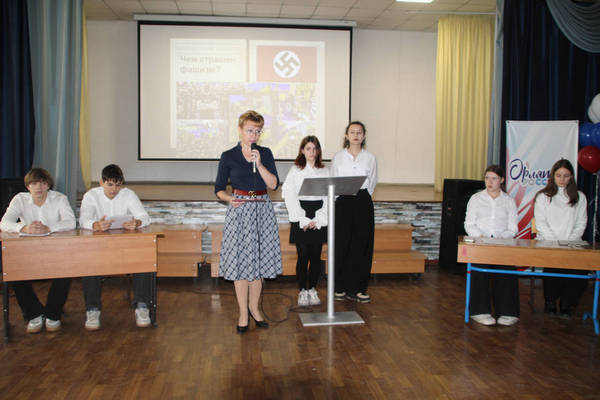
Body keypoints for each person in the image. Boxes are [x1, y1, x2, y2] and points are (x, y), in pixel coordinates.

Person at [215, 110, 282, 333]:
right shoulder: (228, 155)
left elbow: (273, 185)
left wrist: (260, 164)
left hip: (262, 209)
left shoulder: (265, 153)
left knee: (258, 264)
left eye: (258, 131)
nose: (254, 135)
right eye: (250, 130)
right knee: (240, 264)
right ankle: (243, 312)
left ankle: (255, 308)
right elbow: (218, 189)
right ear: (240, 130)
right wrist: (229, 198)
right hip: (240, 211)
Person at [0, 168, 76, 333]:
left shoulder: (60, 198)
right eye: (34, 183)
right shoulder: (19, 199)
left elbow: (71, 222)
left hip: (56, 250)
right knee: (13, 270)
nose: (39, 187)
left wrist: (49, 227)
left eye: (42, 183)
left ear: (48, 185)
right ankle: (33, 314)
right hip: (27, 250)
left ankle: (53, 314)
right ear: (28, 186)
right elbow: (4, 223)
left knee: (66, 270)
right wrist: (24, 228)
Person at [79, 164, 152, 330]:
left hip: (125, 245)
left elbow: (144, 216)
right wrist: (95, 225)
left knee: (144, 259)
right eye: (110, 184)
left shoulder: (128, 194)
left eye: (118, 185)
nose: (114, 189)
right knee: (89, 263)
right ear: (101, 182)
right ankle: (92, 309)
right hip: (98, 245)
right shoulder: (91, 196)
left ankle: (142, 306)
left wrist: (137, 222)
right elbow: (83, 220)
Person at [464, 165, 519, 326]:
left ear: (501, 180)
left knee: (507, 269)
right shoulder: (476, 199)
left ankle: (508, 312)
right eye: (487, 178)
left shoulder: (509, 201)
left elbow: (513, 228)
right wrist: (481, 237)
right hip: (481, 243)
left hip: (502, 244)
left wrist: (501, 238)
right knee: (479, 269)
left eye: (494, 178)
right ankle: (480, 311)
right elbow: (469, 224)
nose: (490, 182)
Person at [534, 159, 588, 317]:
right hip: (549, 242)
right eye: (559, 175)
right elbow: (541, 223)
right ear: (553, 176)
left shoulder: (580, 197)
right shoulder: (543, 196)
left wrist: (569, 242)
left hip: (573, 242)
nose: (562, 179)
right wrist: (555, 243)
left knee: (580, 270)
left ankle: (567, 302)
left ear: (571, 177)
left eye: (566, 176)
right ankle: (550, 301)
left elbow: (581, 222)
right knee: (554, 266)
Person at [331, 121, 377, 303]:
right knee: (342, 244)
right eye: (352, 132)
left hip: (362, 201)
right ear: (346, 135)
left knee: (362, 244)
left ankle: (359, 288)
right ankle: (340, 287)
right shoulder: (338, 157)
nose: (356, 135)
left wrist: (361, 196)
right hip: (343, 201)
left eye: (359, 132)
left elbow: (372, 182)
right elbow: (333, 180)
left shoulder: (370, 158)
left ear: (364, 136)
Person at [282, 136, 329, 306]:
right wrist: (302, 218)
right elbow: (288, 194)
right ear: (302, 150)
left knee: (316, 255)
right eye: (308, 148)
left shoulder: (324, 170)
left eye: (315, 148)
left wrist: (319, 218)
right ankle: (302, 290)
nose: (311, 152)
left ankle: (313, 289)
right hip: (300, 212)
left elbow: (329, 196)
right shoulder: (295, 170)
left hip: (319, 214)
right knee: (303, 255)